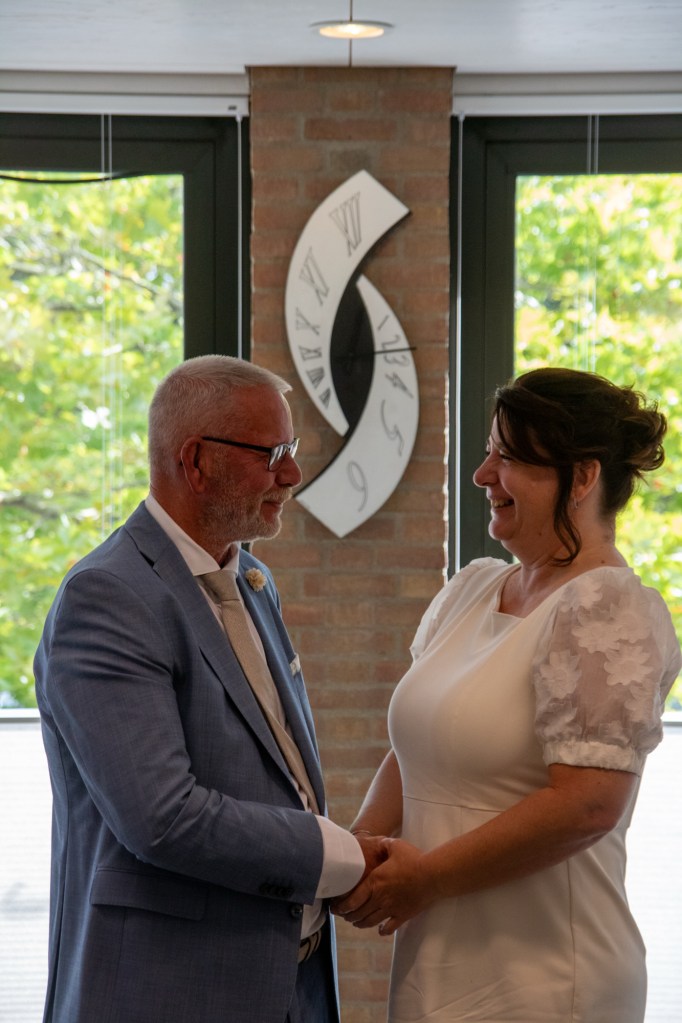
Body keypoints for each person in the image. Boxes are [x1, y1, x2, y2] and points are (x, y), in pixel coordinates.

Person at [34, 354, 376, 1023]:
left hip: (286, 988)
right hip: (165, 989)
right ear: (194, 461)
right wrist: (340, 856)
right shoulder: (108, 596)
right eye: (272, 452)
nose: (293, 474)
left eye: (294, 450)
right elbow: (162, 817)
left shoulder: (253, 580)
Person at [334, 368, 682, 1023]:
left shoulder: (606, 610)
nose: (483, 474)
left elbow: (587, 806)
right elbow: (418, 745)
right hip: (438, 959)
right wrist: (361, 848)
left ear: (581, 477)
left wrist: (427, 876)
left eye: (509, 457)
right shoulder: (473, 589)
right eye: (489, 451)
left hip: (548, 978)